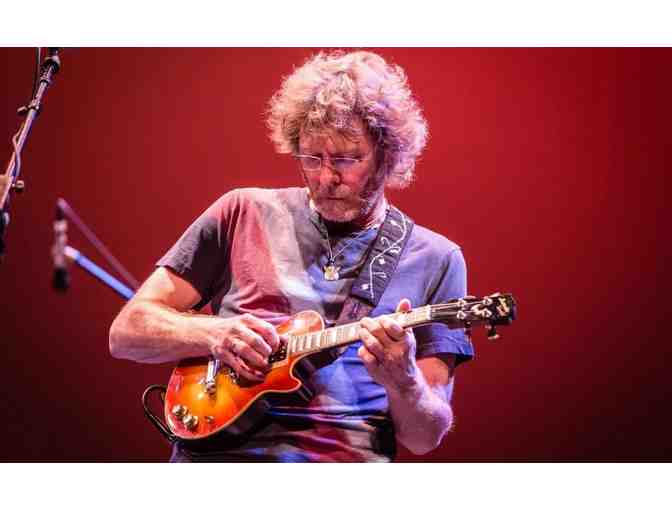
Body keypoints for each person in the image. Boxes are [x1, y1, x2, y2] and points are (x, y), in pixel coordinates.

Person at [109, 50, 474, 462]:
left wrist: (404, 380)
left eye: (346, 159)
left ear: (387, 156)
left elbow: (425, 438)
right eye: (311, 157)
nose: (326, 177)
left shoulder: (437, 258)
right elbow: (126, 332)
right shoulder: (241, 211)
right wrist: (213, 334)